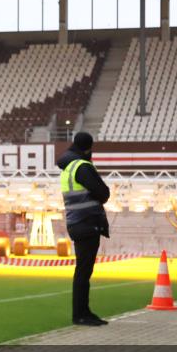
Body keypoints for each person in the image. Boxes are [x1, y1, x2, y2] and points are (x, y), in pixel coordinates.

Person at [57, 131, 111, 326]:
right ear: (89, 148)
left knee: (83, 270)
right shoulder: (83, 167)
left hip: (77, 222)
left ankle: (83, 311)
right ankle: (80, 314)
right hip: (87, 222)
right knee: (83, 271)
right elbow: (103, 193)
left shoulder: (69, 168)